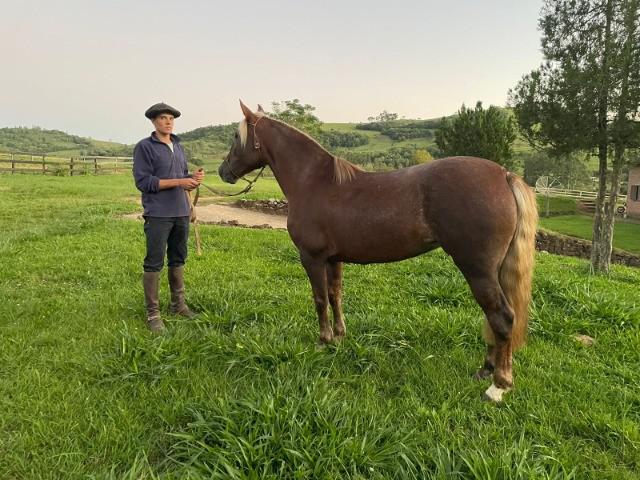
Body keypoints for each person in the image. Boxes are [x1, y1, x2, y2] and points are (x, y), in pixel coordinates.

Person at [133, 102, 204, 332]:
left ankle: (178, 305)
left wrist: (191, 178)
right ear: (154, 121)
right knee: (154, 261)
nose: (168, 121)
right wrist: (180, 181)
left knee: (178, 258)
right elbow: (144, 182)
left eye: (171, 118)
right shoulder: (145, 147)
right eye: (163, 118)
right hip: (158, 213)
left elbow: (181, 176)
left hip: (181, 211)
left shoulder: (178, 145)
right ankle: (153, 314)